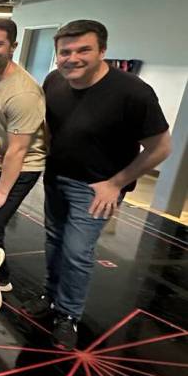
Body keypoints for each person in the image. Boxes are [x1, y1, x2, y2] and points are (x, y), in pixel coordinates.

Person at [24, 20, 171, 349]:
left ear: (102, 51)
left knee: (77, 251)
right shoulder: (54, 81)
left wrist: (117, 182)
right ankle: (51, 296)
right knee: (54, 241)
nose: (72, 58)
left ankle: (68, 315)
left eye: (83, 50)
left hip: (95, 188)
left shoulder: (132, 92)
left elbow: (161, 147)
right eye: (65, 52)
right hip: (56, 178)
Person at [0, 18, 47, 294]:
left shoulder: (23, 92)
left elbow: (18, 149)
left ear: (13, 47)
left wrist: (1, 193)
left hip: (20, 167)